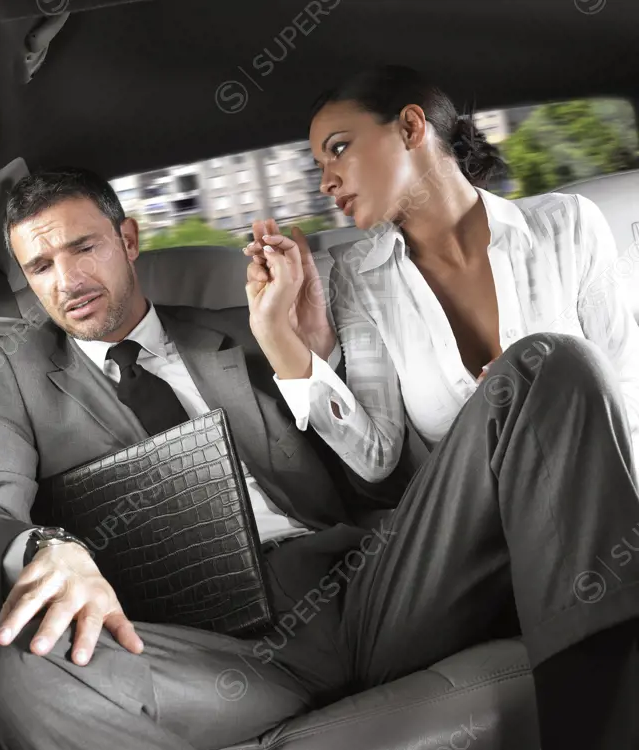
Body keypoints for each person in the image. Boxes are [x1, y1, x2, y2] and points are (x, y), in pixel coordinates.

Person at [0, 167, 639, 750]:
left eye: (83, 247)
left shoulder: (246, 330)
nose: (66, 281)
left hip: (369, 595)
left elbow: (379, 481)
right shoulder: (15, 377)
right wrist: (44, 549)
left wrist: (310, 357)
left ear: (128, 238)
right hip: (208, 657)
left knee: (547, 363)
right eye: (40, 267)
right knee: (12, 668)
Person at [244, 64, 639, 484]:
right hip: (479, 526)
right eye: (319, 164)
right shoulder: (360, 280)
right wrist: (277, 335)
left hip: (598, 488)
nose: (325, 183)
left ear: (411, 127)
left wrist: (547, 404)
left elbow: (630, 391)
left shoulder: (568, 225)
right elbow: (375, 457)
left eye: (338, 149)